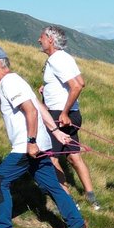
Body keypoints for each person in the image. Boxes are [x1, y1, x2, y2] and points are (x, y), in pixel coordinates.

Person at [0, 44, 89, 228]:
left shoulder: (9, 82)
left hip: (27, 147)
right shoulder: (16, 80)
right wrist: (56, 132)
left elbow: (31, 111)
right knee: (52, 186)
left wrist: (31, 142)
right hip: (41, 145)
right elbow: (39, 106)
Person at [36, 26, 100, 209]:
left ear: (50, 40)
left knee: (52, 158)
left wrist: (63, 112)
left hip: (59, 115)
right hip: (74, 114)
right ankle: (92, 198)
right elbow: (81, 82)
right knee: (73, 156)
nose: (39, 40)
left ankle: (69, 202)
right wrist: (48, 88)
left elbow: (76, 86)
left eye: (41, 37)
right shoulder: (66, 57)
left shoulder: (56, 59)